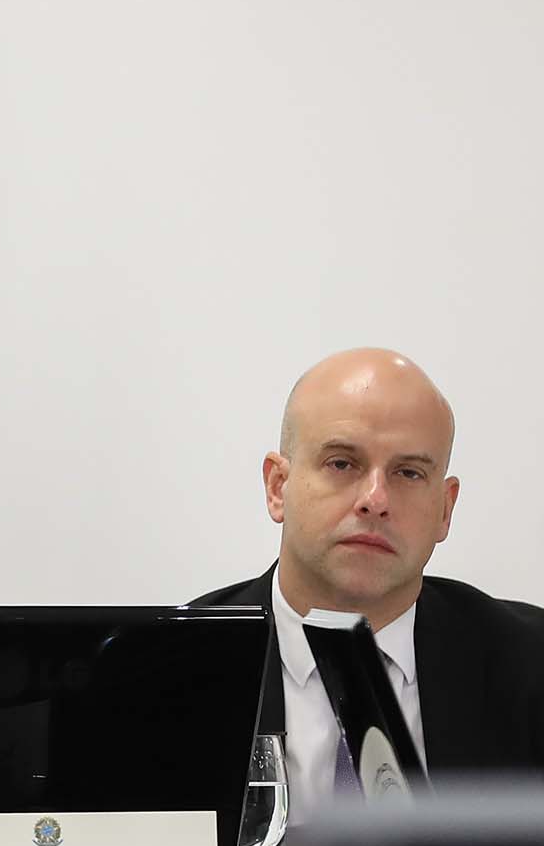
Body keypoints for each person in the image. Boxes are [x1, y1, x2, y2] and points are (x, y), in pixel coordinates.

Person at [193, 348, 544, 819]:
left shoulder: (529, 664)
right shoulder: (177, 664)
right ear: (278, 486)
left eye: (408, 472)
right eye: (342, 463)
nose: (375, 500)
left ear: (445, 508)